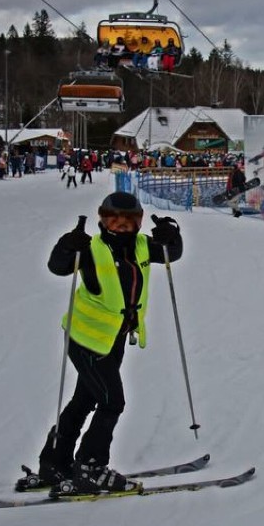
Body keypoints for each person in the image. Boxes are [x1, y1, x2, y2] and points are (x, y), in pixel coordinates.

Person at [35, 192, 183, 494]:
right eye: (113, 219)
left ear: (139, 222)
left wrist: (173, 236)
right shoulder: (91, 249)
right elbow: (58, 266)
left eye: (130, 221)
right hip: (87, 341)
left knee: (86, 399)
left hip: (111, 339)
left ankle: (54, 463)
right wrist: (66, 246)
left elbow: (170, 253)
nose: (121, 227)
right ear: (102, 219)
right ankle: (91, 466)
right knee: (111, 401)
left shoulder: (142, 246)